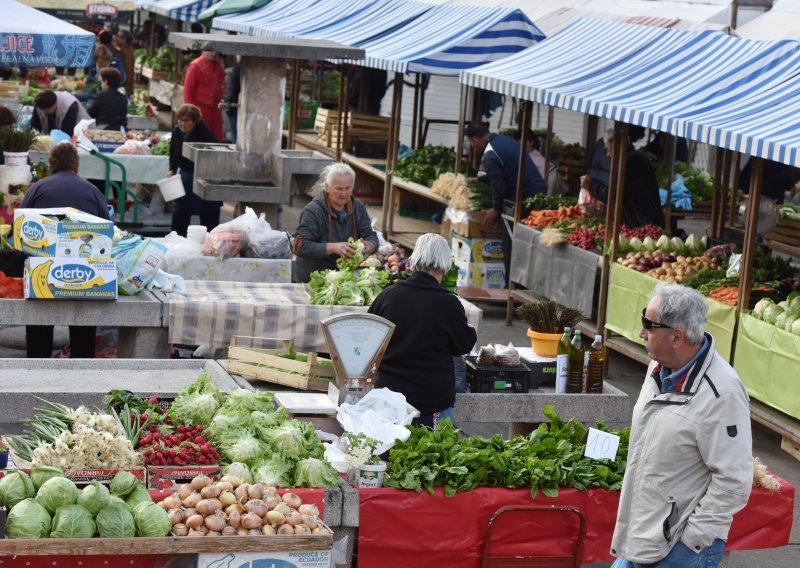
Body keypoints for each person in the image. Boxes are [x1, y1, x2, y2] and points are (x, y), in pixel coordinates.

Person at [610, 283, 752, 568]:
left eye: (648, 325)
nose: (641, 333)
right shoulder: (658, 368)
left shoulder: (722, 394)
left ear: (676, 337)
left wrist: (692, 541)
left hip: (680, 548)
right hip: (643, 536)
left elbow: (734, 481)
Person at [368, 233, 477, 428]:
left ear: (414, 260)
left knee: (386, 454)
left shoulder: (389, 296)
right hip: (432, 401)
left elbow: (369, 337)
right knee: (434, 455)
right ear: (445, 264)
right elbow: (463, 345)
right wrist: (471, 331)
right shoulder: (448, 303)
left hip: (390, 397)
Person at [20, 143, 111, 359]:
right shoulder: (92, 190)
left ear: (51, 164)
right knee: (83, 329)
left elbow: (20, 229)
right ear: (76, 166)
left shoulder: (37, 188)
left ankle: (37, 368)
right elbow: (108, 233)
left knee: (39, 328)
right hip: (83, 271)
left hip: (42, 270)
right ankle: (82, 372)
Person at [465, 122, 546, 286]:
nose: (471, 146)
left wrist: (495, 209)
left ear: (475, 140)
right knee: (527, 242)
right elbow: (505, 172)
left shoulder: (489, 154)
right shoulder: (504, 141)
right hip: (536, 193)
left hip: (522, 197)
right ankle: (522, 286)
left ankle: (510, 289)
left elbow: (499, 185)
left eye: (470, 142)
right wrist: (479, 179)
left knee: (511, 242)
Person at [293, 163, 378, 283]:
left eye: (348, 188)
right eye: (339, 188)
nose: (344, 194)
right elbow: (300, 246)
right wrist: (334, 247)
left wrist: (370, 245)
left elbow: (370, 234)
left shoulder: (357, 207)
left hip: (344, 279)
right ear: (327, 187)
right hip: (313, 279)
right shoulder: (313, 211)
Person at [582, 127, 664, 228]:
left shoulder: (630, 161)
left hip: (645, 223)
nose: (607, 153)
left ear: (615, 144)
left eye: (607, 148)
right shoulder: (633, 158)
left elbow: (612, 195)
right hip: (643, 220)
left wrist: (590, 186)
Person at [167, 104, 221, 237]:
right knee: (180, 212)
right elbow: (173, 152)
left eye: (186, 121)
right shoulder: (177, 133)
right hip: (185, 177)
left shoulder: (205, 135)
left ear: (195, 121)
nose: (182, 124)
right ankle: (177, 240)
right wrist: (172, 169)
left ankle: (210, 243)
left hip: (204, 178)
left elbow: (214, 158)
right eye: (180, 120)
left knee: (208, 215)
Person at [183, 50, 225, 142]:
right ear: (203, 50)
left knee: (216, 139)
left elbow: (221, 84)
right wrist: (190, 114)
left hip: (215, 110)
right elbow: (188, 91)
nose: (214, 53)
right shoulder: (195, 66)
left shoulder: (218, 66)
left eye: (216, 50)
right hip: (200, 110)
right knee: (199, 139)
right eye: (211, 50)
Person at [222, 59, 240, 143]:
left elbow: (231, 93)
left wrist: (229, 109)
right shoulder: (237, 69)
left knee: (236, 141)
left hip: (235, 109)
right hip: (236, 109)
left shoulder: (236, 70)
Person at [115, 30, 136, 96]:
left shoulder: (127, 52)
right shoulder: (123, 50)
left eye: (118, 37)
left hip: (125, 86)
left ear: (124, 40)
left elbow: (128, 71)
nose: (116, 38)